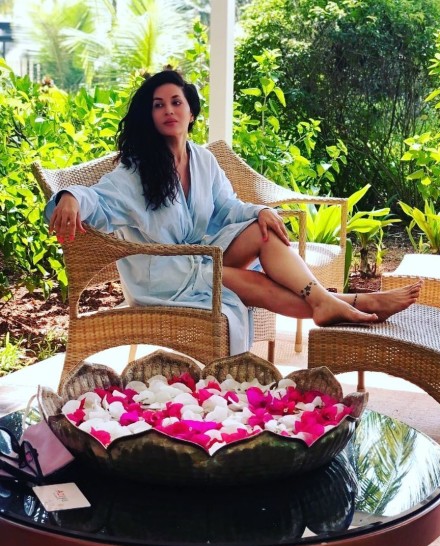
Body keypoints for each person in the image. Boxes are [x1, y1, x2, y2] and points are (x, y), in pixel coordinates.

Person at [46, 70, 421, 354]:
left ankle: (327, 302)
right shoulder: (137, 168)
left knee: (265, 230)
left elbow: (228, 207)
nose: (168, 111)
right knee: (253, 285)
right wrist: (71, 197)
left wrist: (259, 210)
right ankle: (351, 302)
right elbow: (98, 197)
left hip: (202, 255)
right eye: (158, 105)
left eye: (176, 102)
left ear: (191, 111)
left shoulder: (203, 160)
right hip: (162, 273)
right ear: (150, 116)